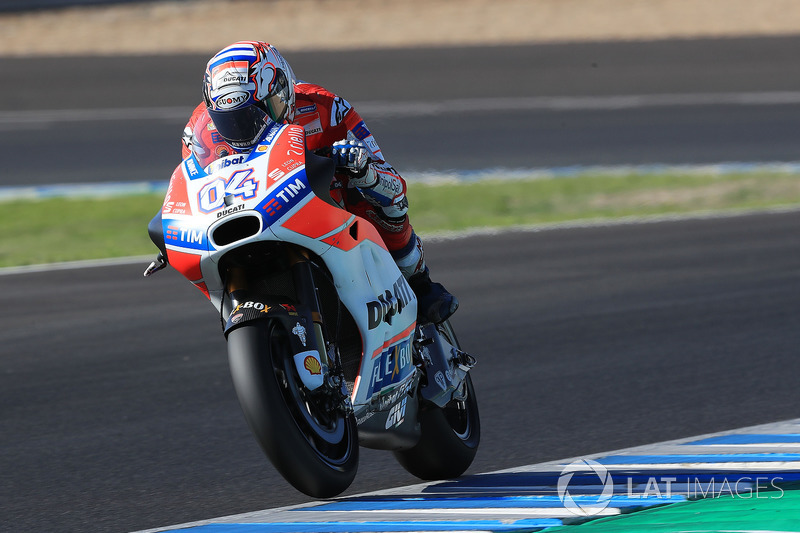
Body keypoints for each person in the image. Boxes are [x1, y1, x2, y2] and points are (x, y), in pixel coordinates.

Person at [180, 40, 457, 324]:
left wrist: (363, 170)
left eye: (260, 111)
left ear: (283, 90)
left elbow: (392, 181)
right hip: (255, 213)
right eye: (231, 121)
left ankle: (418, 281)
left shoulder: (326, 107)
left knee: (385, 201)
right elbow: (193, 184)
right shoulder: (197, 131)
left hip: (326, 207)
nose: (245, 130)